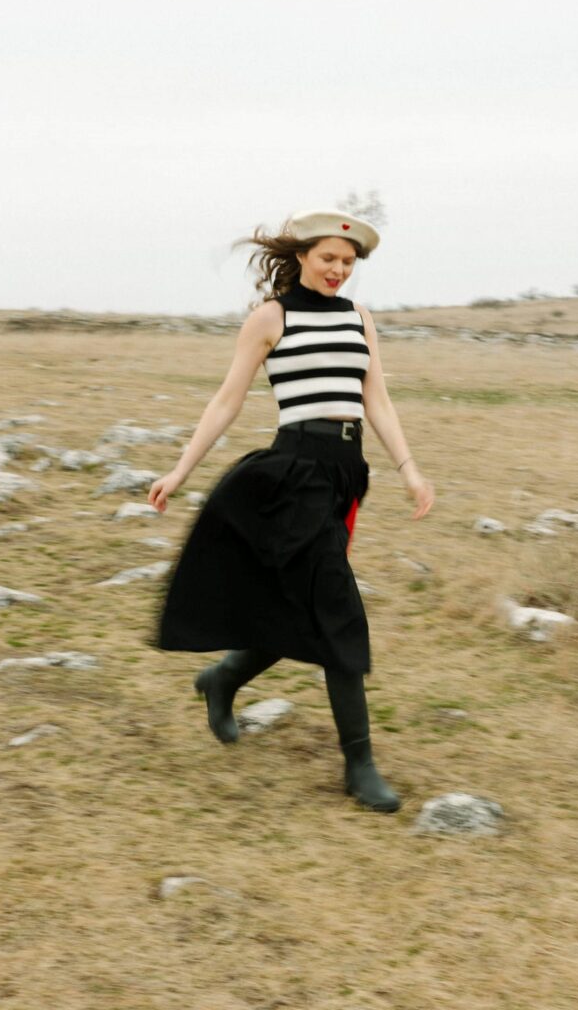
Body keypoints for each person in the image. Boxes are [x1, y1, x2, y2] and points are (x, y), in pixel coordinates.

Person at [148, 208, 434, 813]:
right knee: (337, 610)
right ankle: (360, 766)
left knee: (301, 605)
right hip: (296, 472)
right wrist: (179, 470)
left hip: (345, 475)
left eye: (348, 263)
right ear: (302, 256)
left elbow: (374, 398)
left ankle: (223, 680)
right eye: (329, 258)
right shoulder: (271, 316)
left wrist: (409, 468)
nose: (338, 270)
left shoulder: (360, 318)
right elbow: (228, 400)